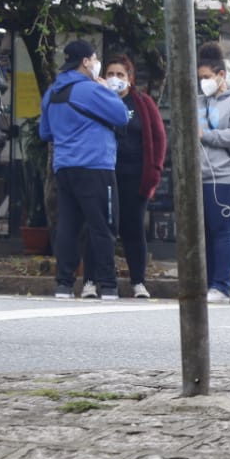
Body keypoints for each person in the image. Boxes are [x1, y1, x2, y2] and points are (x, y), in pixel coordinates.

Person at [40, 40, 130, 300]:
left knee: (69, 225)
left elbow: (45, 132)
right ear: (86, 61)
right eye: (95, 58)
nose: (97, 63)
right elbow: (122, 117)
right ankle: (108, 285)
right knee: (103, 226)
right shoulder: (91, 90)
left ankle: (64, 284)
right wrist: (108, 93)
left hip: (65, 167)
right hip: (96, 165)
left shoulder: (52, 92)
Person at [78, 55, 165, 299]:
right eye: (111, 74)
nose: (115, 79)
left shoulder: (144, 104)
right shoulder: (97, 100)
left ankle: (138, 282)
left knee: (133, 230)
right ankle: (91, 281)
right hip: (103, 175)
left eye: (121, 75)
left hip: (134, 178)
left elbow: (159, 139)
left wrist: (154, 173)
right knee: (99, 228)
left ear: (130, 79)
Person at [196, 41, 230, 304]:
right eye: (200, 78)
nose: (203, 83)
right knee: (205, 233)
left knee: (221, 230)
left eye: (207, 77)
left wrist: (207, 136)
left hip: (224, 177)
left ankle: (222, 286)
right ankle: (208, 283)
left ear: (221, 75)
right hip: (200, 176)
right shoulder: (198, 101)